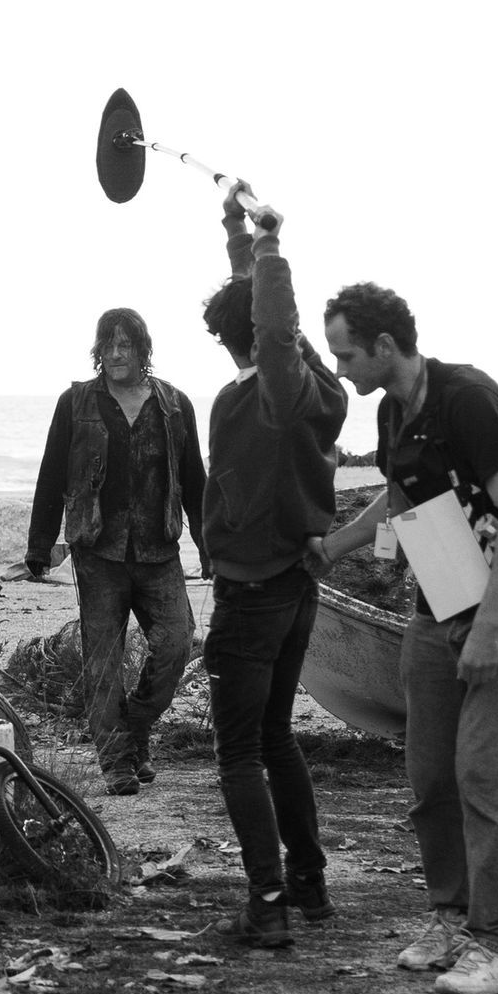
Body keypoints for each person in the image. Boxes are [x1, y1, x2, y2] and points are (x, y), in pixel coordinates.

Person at [309, 282, 498, 994]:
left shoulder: (469, 400)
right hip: (440, 601)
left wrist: (487, 626)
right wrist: (335, 547)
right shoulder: (393, 409)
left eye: (346, 355)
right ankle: (451, 919)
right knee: (429, 777)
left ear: (385, 345)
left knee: (484, 775)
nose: (340, 370)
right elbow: (401, 499)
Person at [198, 184, 349, 948]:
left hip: (251, 596)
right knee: (277, 737)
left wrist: (268, 247)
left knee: (238, 753)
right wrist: (241, 236)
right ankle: (309, 887)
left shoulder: (261, 401)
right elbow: (275, 330)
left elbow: (274, 332)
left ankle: (267, 905)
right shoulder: (318, 395)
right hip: (295, 586)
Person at [25, 308, 207, 794]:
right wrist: (39, 546)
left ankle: (136, 727)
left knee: (176, 643)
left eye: (125, 344)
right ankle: (116, 762)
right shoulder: (76, 402)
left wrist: (209, 547)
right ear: (98, 350)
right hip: (98, 551)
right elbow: (51, 473)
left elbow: (194, 481)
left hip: (158, 550)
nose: (115, 353)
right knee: (102, 661)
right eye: (108, 344)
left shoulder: (174, 404)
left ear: (142, 350)